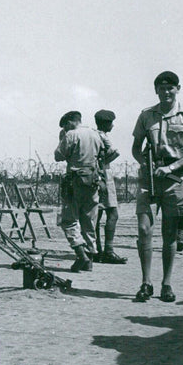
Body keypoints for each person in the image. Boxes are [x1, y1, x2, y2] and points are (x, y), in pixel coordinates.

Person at [131, 71, 183, 302]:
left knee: (170, 234)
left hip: (176, 179)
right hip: (150, 180)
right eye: (161, 88)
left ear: (178, 89)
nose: (166, 92)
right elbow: (136, 146)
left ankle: (166, 284)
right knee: (144, 230)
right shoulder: (146, 116)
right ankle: (146, 283)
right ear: (156, 90)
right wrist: (145, 163)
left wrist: (172, 168)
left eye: (170, 88)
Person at [55, 110, 104, 272]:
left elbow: (58, 155)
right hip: (93, 180)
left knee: (68, 220)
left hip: (74, 181)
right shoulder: (96, 134)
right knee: (89, 221)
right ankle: (89, 260)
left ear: (70, 122)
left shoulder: (71, 135)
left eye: (65, 126)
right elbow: (108, 153)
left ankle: (81, 254)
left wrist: (62, 138)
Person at [93, 109, 127, 264]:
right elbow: (114, 152)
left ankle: (96, 250)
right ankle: (108, 251)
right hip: (104, 175)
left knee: (97, 215)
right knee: (112, 213)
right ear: (105, 123)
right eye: (111, 123)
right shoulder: (102, 136)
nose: (113, 125)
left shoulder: (93, 135)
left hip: (96, 175)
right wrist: (104, 161)